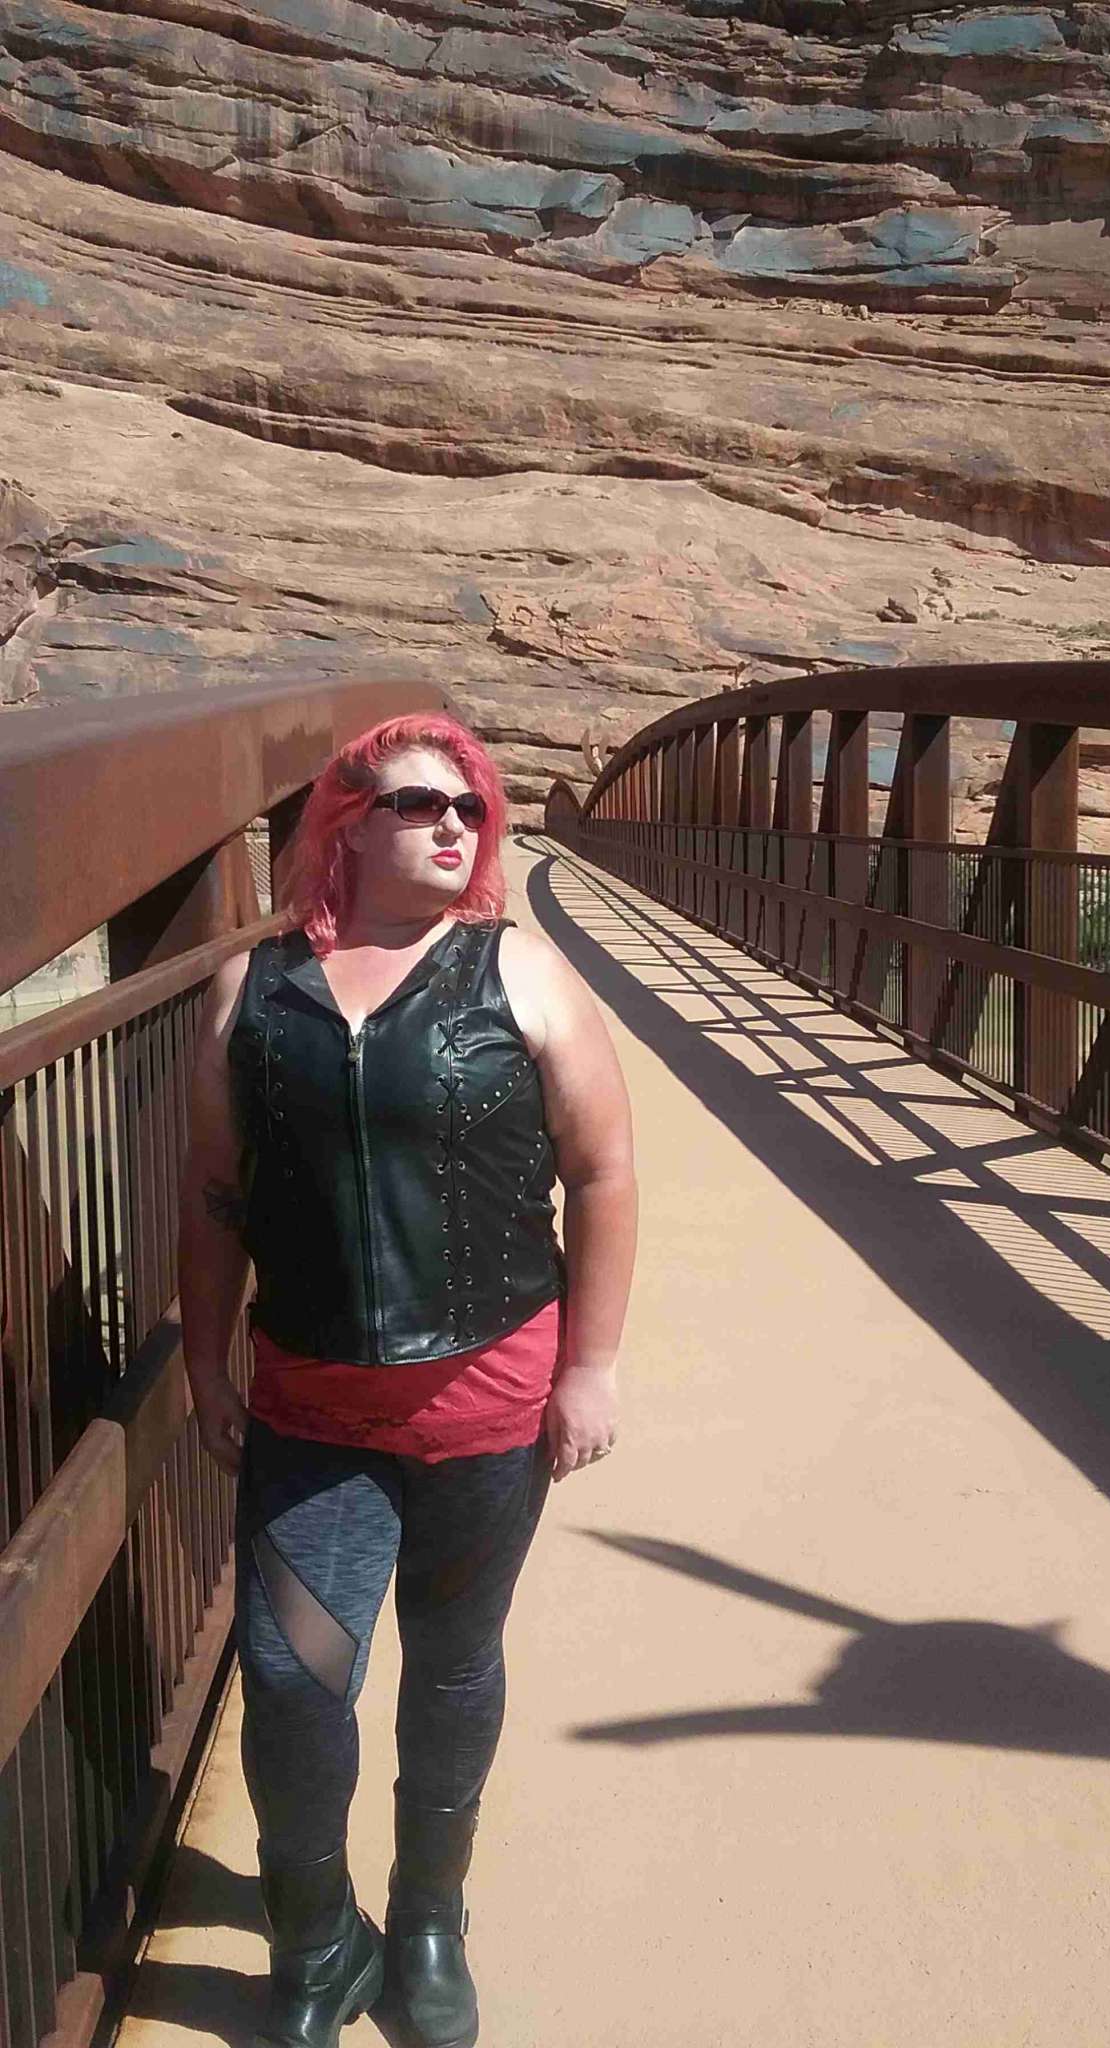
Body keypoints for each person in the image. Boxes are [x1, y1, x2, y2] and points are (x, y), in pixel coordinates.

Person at [176, 713, 637, 2048]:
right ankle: (318, 1941)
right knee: (294, 1680)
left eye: (474, 811)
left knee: (449, 1666)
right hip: (314, 1412)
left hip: (485, 1407)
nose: (458, 826)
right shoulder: (252, 992)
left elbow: (603, 1171)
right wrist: (204, 1357)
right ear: (346, 822)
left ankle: (429, 1917)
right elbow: (212, 1199)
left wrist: (591, 1366)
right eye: (424, 803)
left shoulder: (522, 975)